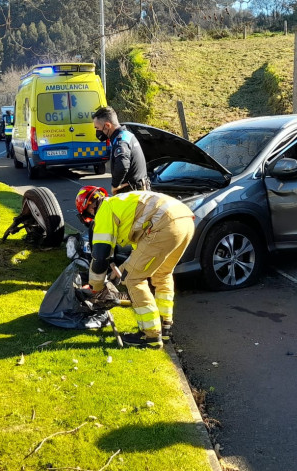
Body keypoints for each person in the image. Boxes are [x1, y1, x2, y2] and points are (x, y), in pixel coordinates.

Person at [76, 186, 194, 348]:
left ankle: (150, 336)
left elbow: (100, 256)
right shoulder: (121, 202)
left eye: (88, 217)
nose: (91, 220)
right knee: (162, 274)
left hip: (163, 225)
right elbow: (141, 251)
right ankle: (165, 326)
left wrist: (95, 287)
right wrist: (122, 269)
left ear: (90, 207)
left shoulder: (104, 209)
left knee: (134, 280)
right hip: (185, 219)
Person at [92, 106, 150, 195]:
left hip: (132, 194)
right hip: (139, 189)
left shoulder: (121, 142)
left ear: (107, 125)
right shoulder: (127, 135)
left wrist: (115, 185)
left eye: (97, 128)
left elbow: (122, 165)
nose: (97, 132)